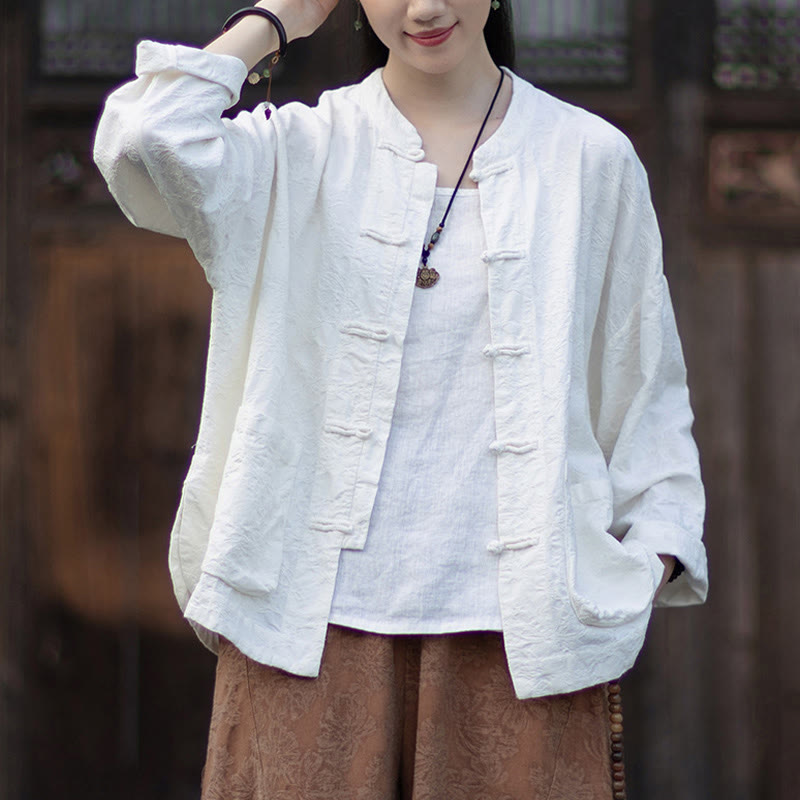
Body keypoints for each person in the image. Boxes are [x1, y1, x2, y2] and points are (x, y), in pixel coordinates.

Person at [93, 0, 708, 797]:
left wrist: (652, 556)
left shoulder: (588, 159)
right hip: (305, 628)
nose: (424, 8)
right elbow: (145, 137)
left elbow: (644, 389)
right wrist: (278, 16)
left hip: (524, 635)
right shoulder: (297, 150)